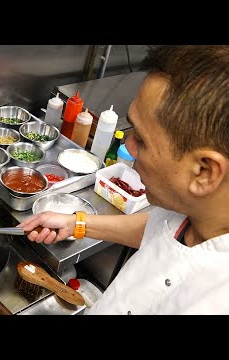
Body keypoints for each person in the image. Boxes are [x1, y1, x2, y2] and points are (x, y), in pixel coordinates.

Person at [18, 45, 229, 314]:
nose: (127, 148)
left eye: (141, 139)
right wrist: (76, 223)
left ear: (205, 172)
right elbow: (156, 230)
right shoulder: (193, 212)